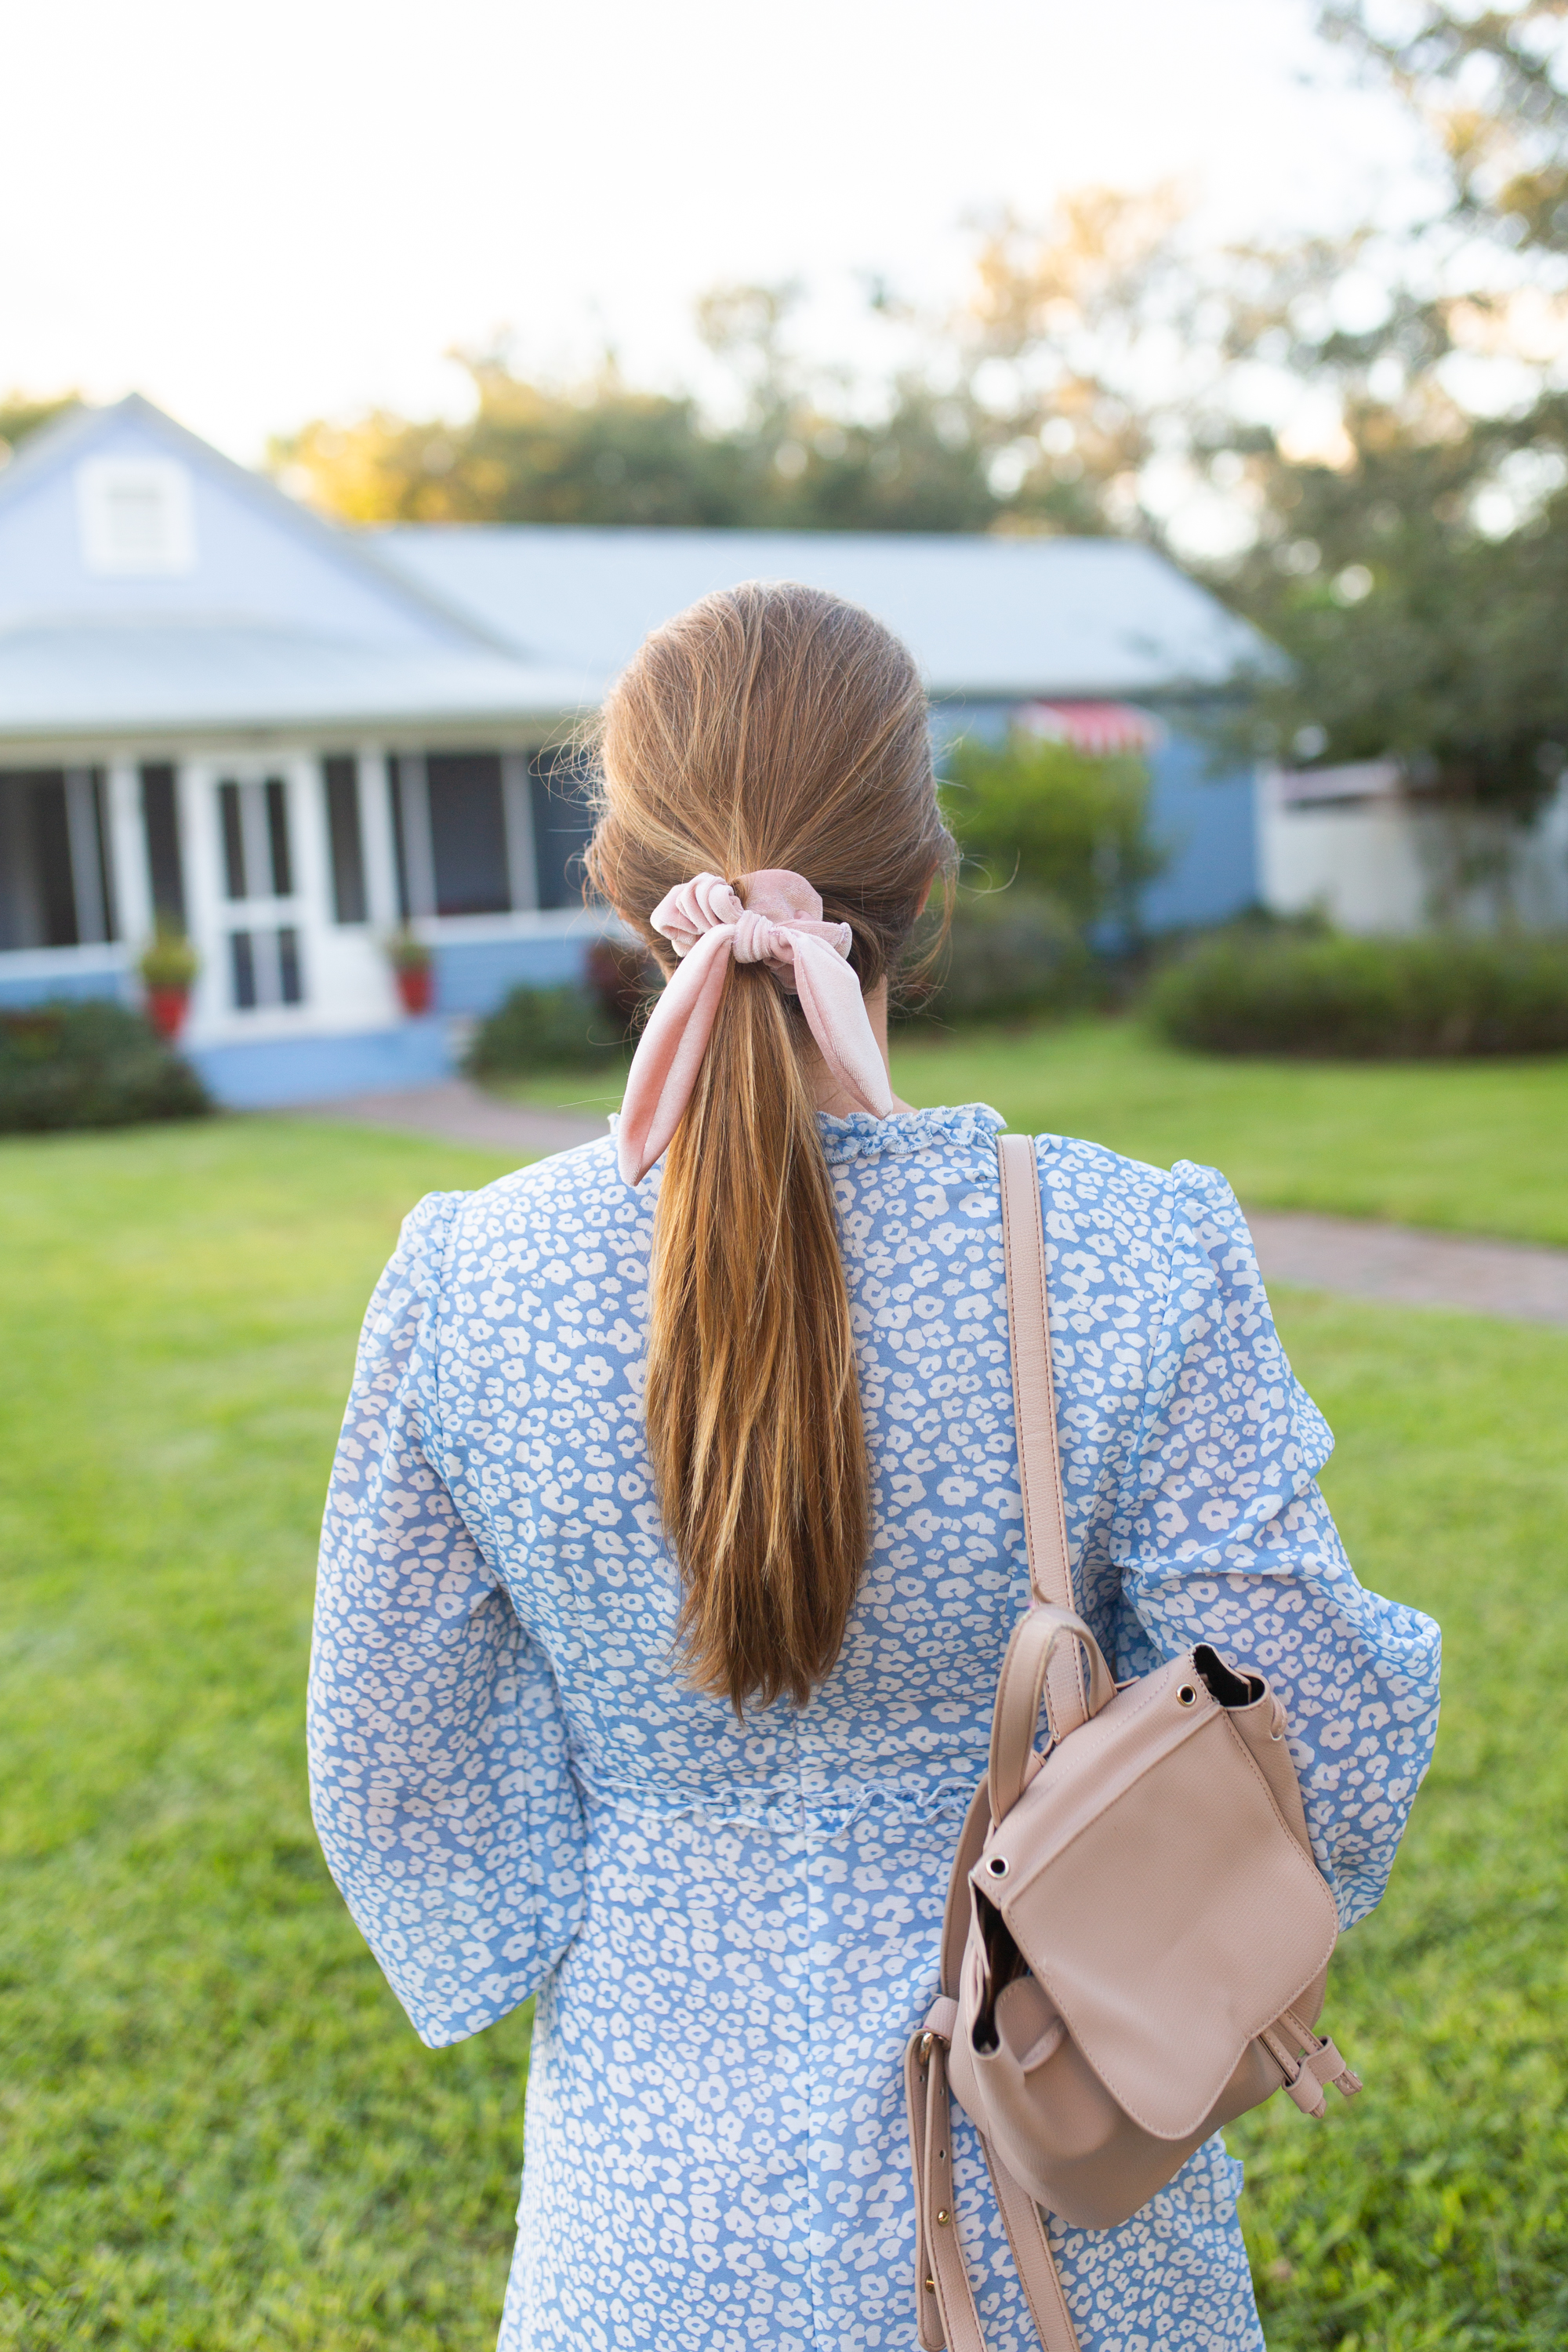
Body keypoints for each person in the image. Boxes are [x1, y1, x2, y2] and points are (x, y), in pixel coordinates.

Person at [307, 582, 1441, 2352]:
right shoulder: (1121, 1245)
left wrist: (643, 1832)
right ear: (922, 883)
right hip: (1062, 2191)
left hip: (644, 2215)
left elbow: (390, 1765)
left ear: (623, 885)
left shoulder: (470, 1280)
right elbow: (1320, 1732)